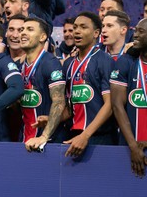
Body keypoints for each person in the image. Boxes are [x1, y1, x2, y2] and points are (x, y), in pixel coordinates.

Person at [62, 11, 117, 157]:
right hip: (74, 136)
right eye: (75, 27)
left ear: (96, 33)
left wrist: (85, 135)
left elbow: (110, 104)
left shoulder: (105, 61)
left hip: (100, 138)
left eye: (83, 27)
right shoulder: (68, 64)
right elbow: (70, 105)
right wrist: (52, 120)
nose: (77, 31)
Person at [18, 18, 66, 150]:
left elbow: (59, 102)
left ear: (43, 37)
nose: (22, 33)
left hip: (47, 143)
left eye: (30, 29)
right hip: (24, 138)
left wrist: (43, 137)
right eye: (22, 29)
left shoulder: (50, 63)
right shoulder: (20, 66)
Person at [110, 18, 147, 177]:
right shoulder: (126, 62)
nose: (135, 35)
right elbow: (117, 105)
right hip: (128, 146)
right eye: (135, 31)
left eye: (141, 32)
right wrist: (133, 146)